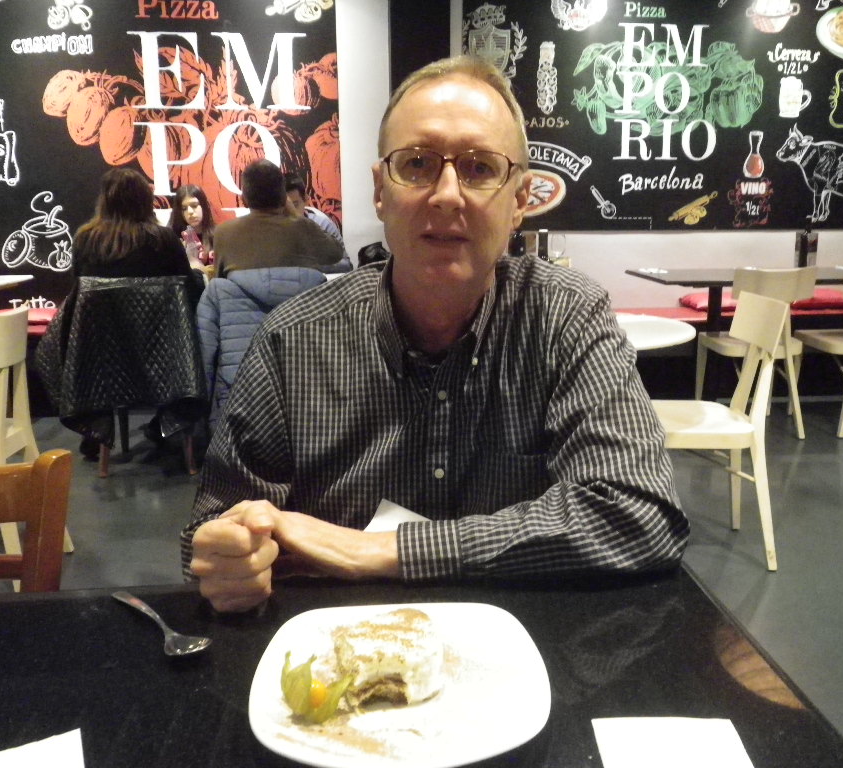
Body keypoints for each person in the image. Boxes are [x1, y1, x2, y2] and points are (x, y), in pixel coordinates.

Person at [182, 55, 688, 613]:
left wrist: (380, 551)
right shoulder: (291, 341)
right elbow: (214, 526)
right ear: (380, 191)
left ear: (520, 201)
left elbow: (640, 513)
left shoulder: (565, 317)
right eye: (418, 164)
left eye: (480, 168)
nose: (447, 194)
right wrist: (229, 555)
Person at [69, 167, 199, 459]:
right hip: (163, 358)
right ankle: (166, 422)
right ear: (145, 201)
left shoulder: (85, 240)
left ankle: (95, 424)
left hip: (104, 360)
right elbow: (187, 293)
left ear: (104, 200)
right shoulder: (163, 240)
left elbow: (78, 295)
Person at [211, 159, 343, 276]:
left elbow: (221, 280)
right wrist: (296, 215)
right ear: (284, 198)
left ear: (244, 200)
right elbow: (336, 254)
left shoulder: (223, 233)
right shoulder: (302, 227)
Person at [283, 171, 345, 247]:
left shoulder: (323, 225)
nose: (289, 212)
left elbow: (341, 254)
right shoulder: (274, 229)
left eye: (295, 205)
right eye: (283, 207)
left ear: (306, 200)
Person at [170, 184, 216, 273]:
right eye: (184, 208)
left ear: (204, 206)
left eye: (194, 205)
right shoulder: (174, 238)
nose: (190, 212)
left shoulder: (219, 235)